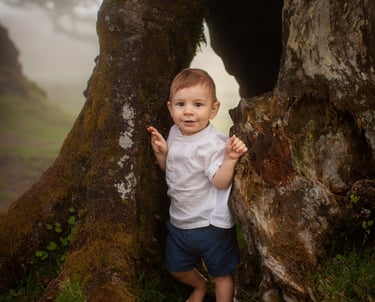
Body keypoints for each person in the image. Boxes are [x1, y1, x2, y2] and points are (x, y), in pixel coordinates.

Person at [147, 68, 248, 302]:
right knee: (176, 267)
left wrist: (230, 159)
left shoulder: (213, 144)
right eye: (181, 104)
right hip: (180, 223)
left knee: (221, 274)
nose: (189, 112)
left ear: (214, 109)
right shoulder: (174, 132)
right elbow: (171, 172)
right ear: (170, 108)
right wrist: (162, 154)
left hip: (210, 225)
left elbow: (220, 183)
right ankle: (199, 287)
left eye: (198, 105)